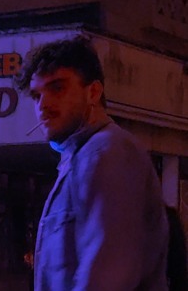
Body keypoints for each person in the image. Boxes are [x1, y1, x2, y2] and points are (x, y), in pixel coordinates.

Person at [16, 36, 169, 291]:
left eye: (57, 88)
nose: (43, 105)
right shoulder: (80, 157)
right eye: (36, 95)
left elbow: (107, 273)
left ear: (93, 92)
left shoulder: (106, 151)